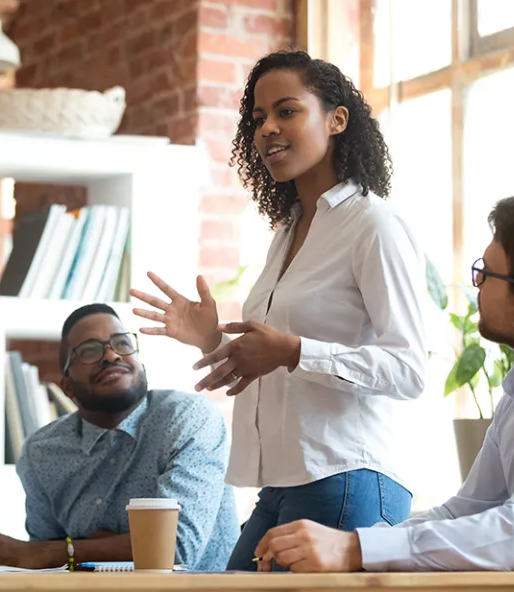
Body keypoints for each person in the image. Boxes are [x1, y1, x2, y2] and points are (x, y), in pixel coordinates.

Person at [130, 49, 428, 571]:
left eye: (286, 111)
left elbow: (409, 369)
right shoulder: (288, 233)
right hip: (285, 484)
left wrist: (292, 351)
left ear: (337, 120)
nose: (267, 128)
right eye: (258, 118)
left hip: (349, 478)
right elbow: (276, 359)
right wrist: (210, 341)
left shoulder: (372, 226)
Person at [253, 195, 514, 587]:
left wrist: (355, 550)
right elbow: (462, 513)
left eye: (486, 275)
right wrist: (355, 543)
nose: (475, 285)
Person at [0, 304, 239, 571]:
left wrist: (67, 550)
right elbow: (47, 566)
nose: (111, 355)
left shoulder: (187, 418)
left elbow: (174, 549)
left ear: (142, 366)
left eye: (123, 344)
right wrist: (92, 549)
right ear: (67, 387)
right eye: (89, 351)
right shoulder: (41, 452)